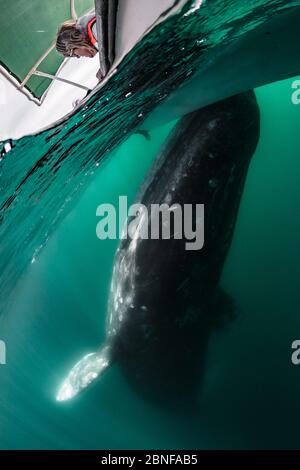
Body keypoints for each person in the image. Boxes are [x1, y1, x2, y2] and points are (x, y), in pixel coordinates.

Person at [55, 13, 103, 81]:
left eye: (74, 54)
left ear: (73, 44)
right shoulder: (96, 30)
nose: (78, 57)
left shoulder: (97, 30)